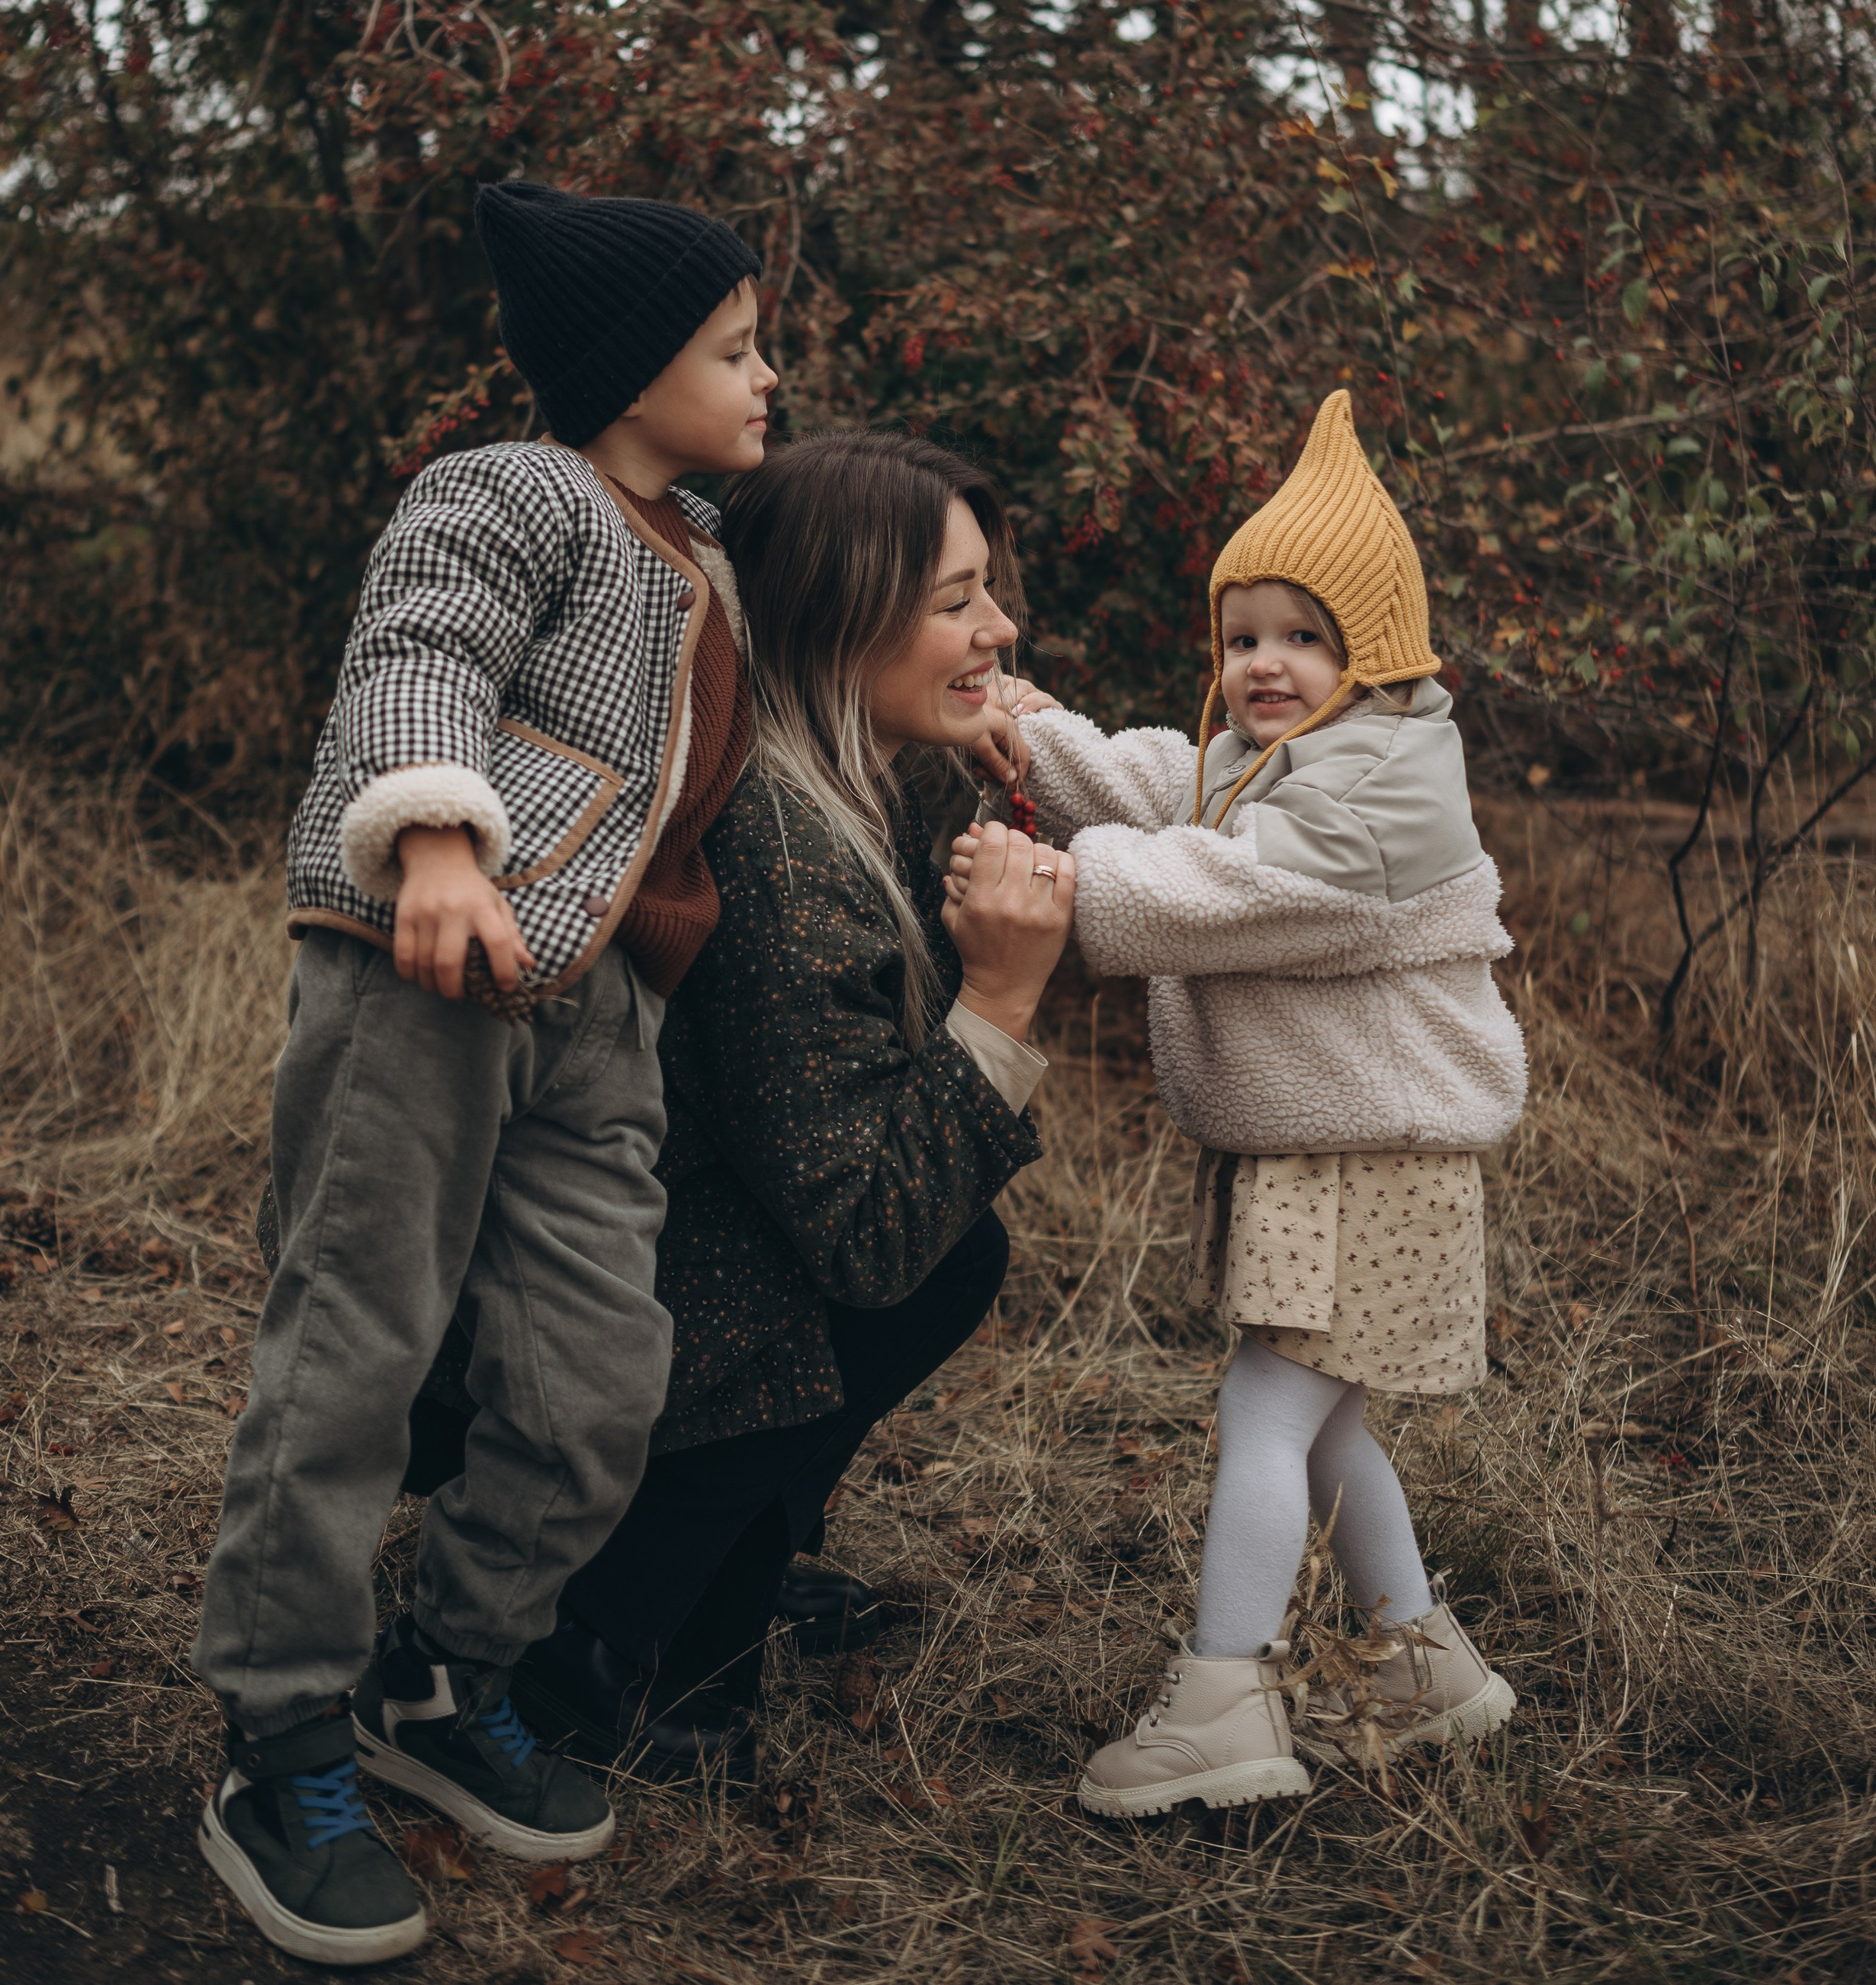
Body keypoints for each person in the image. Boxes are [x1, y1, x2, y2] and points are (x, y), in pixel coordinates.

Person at [193, 181, 775, 1967]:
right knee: (353, 1342)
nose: (771, 378)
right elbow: (421, 649)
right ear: (624, 370)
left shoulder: (701, 549)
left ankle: (439, 1673)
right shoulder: (506, 491)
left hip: (595, 1012)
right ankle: (277, 1733)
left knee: (604, 1367)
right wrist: (436, 840)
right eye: (737, 350)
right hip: (431, 963)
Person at [959, 390, 1527, 1817]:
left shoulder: (1384, 801)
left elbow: (1226, 880)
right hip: (1333, 1153)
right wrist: (1040, 738)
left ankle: (1225, 1699)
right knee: (1327, 1423)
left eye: (1305, 636)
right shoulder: (1302, 754)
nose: (1266, 664)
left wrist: (1064, 888)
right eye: (1246, 635)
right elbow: (1173, 780)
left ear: (1375, 651)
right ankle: (1424, 1667)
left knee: (1266, 1413)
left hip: (1372, 1158)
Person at [512, 431, 1074, 1781]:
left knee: (962, 1250)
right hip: (592, 1312)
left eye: (987, 592)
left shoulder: (816, 772)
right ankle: (598, 1641)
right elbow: (866, 1235)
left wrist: (965, 750)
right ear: (835, 617)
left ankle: (733, 1547)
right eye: (956, 603)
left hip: (656, 1264)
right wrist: (1000, 1000)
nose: (999, 628)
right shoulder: (777, 848)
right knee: (918, 1260)